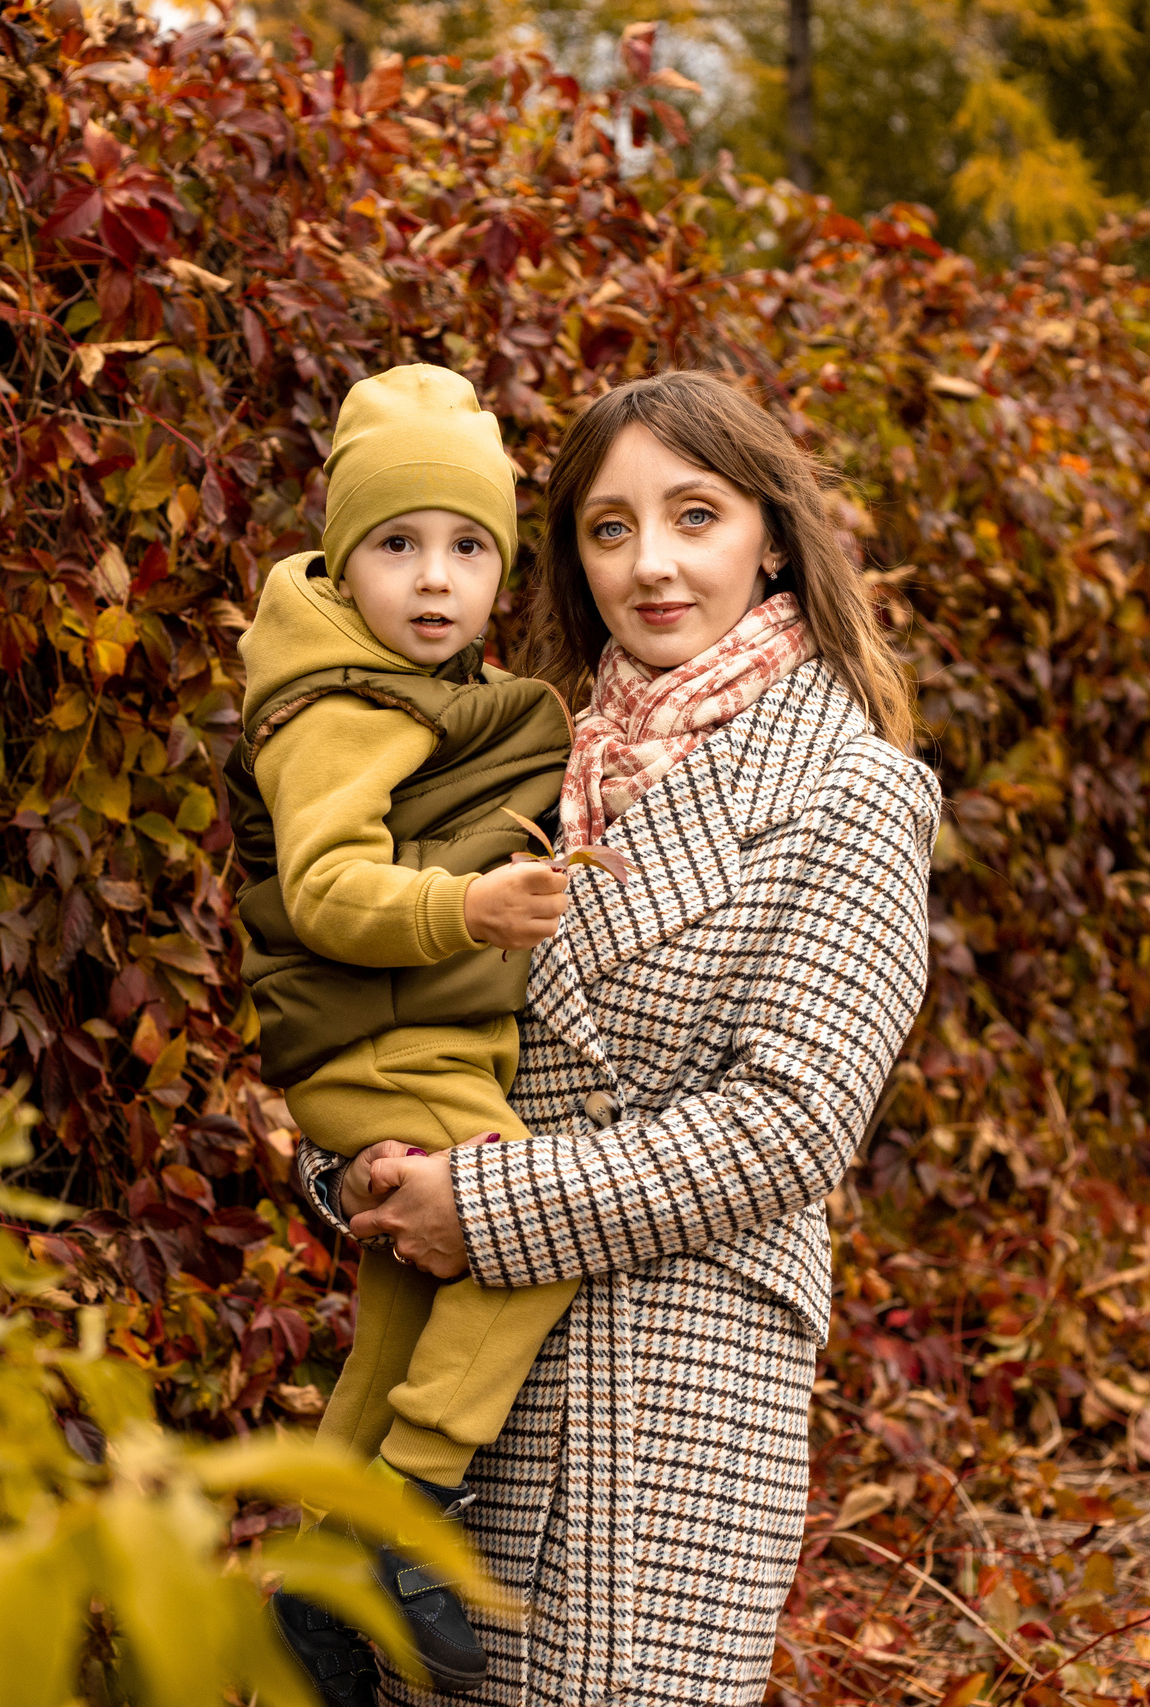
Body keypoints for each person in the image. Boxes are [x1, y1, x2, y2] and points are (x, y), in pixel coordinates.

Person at [298, 370, 939, 1706]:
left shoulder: (854, 787)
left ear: (772, 537)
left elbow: (792, 1124)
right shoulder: (514, 761)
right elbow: (384, 1013)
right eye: (609, 527)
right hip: (451, 1384)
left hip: (669, 1391)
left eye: (694, 516)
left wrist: (480, 1206)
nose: (651, 563)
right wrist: (359, 1172)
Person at [223, 365, 583, 1700]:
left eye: (469, 548)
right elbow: (323, 889)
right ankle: (409, 1514)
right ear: (340, 558)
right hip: (386, 1049)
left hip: (404, 1046)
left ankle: (312, 1595)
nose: (436, 579)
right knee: (532, 1234)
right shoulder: (337, 705)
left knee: (396, 1327)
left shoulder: (412, 686)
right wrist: (465, 908)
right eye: (397, 545)